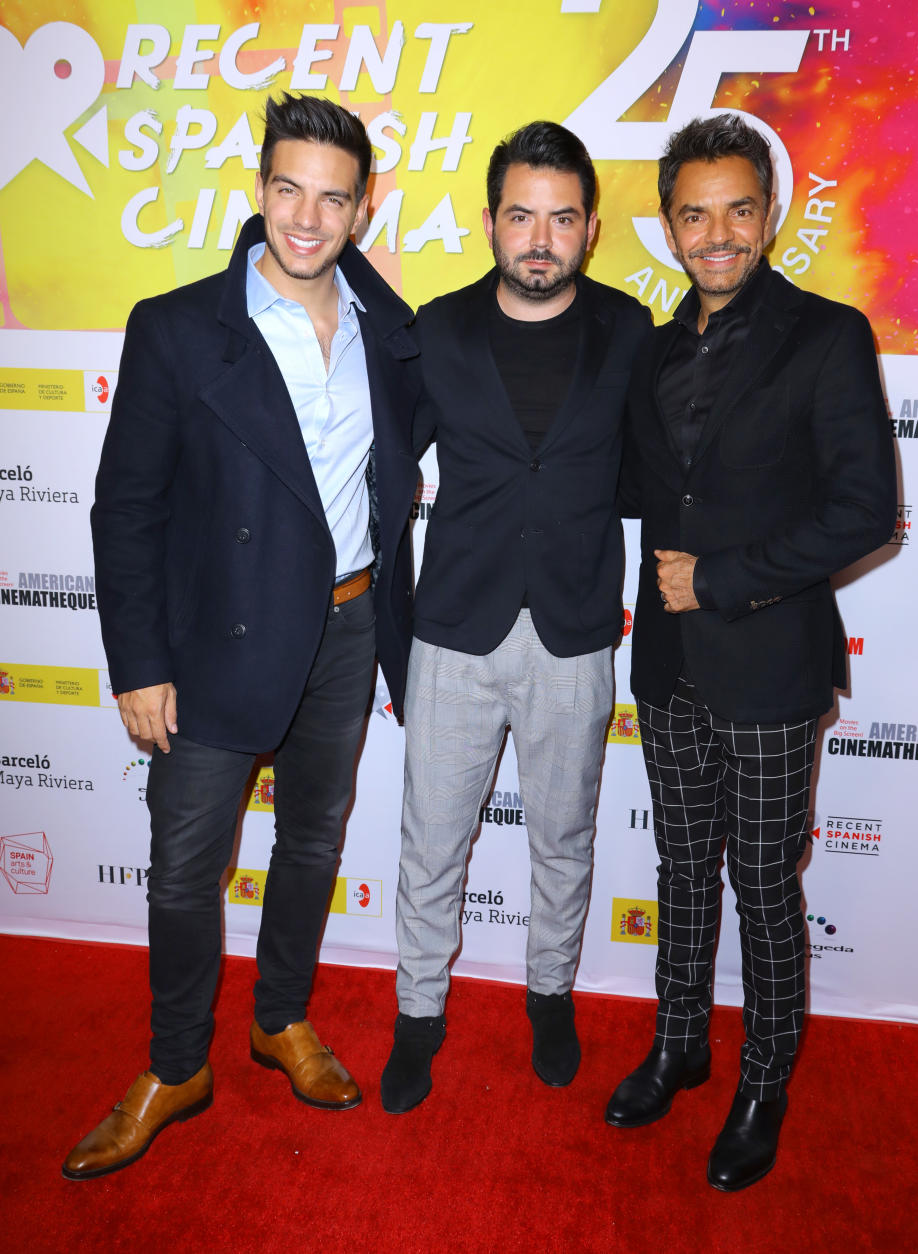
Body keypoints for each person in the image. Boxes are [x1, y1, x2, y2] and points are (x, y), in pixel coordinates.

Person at [63, 93, 420, 1181]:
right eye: (286, 189)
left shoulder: (390, 333)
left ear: (363, 207)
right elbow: (126, 507)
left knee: (312, 842)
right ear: (257, 188)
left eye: (332, 196)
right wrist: (139, 663)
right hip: (215, 637)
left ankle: (280, 1019)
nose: (305, 218)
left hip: (349, 626)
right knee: (184, 870)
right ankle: (177, 1064)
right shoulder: (177, 327)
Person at [609, 114, 896, 1190]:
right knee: (682, 868)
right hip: (670, 667)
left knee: (763, 882)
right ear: (669, 224)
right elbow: (644, 488)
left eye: (738, 209)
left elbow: (865, 509)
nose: (716, 233)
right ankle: (679, 1043)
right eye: (694, 212)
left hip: (769, 663)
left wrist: (721, 578)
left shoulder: (827, 335)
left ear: (769, 215)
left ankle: (764, 1078)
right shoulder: (653, 347)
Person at [381, 121, 653, 1113]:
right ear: (490, 221)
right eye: (522, 216)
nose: (541, 238)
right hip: (453, 630)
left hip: (575, 632)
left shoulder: (629, 333)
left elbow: (663, 470)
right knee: (429, 845)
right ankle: (418, 1013)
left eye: (562, 218)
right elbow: (379, 474)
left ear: (590, 227)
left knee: (564, 840)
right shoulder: (437, 329)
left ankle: (549, 994)